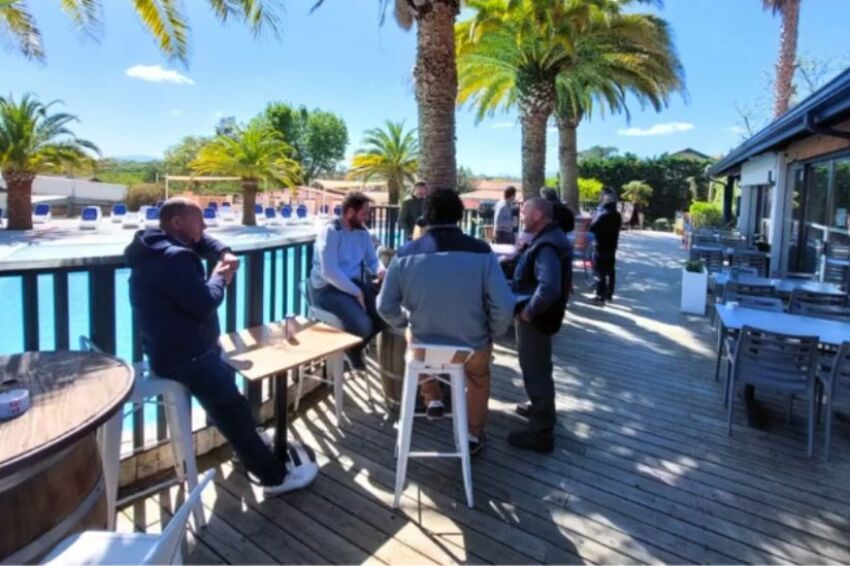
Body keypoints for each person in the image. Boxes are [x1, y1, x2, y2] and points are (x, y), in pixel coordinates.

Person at [125, 198, 317, 496]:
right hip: (187, 357)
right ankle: (274, 477)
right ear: (177, 223)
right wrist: (221, 276)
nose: (204, 225)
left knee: (230, 397)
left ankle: (246, 447)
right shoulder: (176, 258)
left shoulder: (153, 247)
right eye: (198, 219)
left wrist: (223, 252)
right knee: (234, 410)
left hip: (169, 351)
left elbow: (202, 241)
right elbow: (204, 304)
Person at [377, 188, 514, 454]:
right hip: (471, 346)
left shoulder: (404, 254)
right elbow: (504, 305)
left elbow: (384, 305)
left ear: (425, 216)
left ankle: (432, 395)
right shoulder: (482, 252)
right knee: (478, 377)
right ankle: (473, 436)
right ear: (460, 216)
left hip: (425, 346)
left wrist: (404, 320)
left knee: (413, 335)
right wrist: (492, 333)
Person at [509, 197, 572, 453]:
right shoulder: (549, 238)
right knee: (536, 366)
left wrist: (529, 313)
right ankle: (540, 410)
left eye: (524, 212)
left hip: (536, 318)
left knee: (536, 370)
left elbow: (549, 288)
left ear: (537, 216)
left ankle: (542, 433)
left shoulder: (546, 245)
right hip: (539, 316)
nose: (521, 217)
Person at [310, 192, 387, 370]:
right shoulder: (330, 231)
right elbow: (329, 271)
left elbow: (372, 260)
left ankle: (354, 348)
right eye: (364, 213)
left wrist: (381, 270)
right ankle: (352, 348)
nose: (367, 218)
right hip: (327, 289)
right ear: (350, 211)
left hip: (351, 286)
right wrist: (357, 292)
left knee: (386, 314)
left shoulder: (363, 233)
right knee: (364, 325)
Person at [589, 188, 622, 304]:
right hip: (612, 244)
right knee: (610, 270)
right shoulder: (617, 215)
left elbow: (592, 227)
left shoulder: (603, 215)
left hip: (600, 244)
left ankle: (600, 294)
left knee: (599, 271)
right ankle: (609, 294)